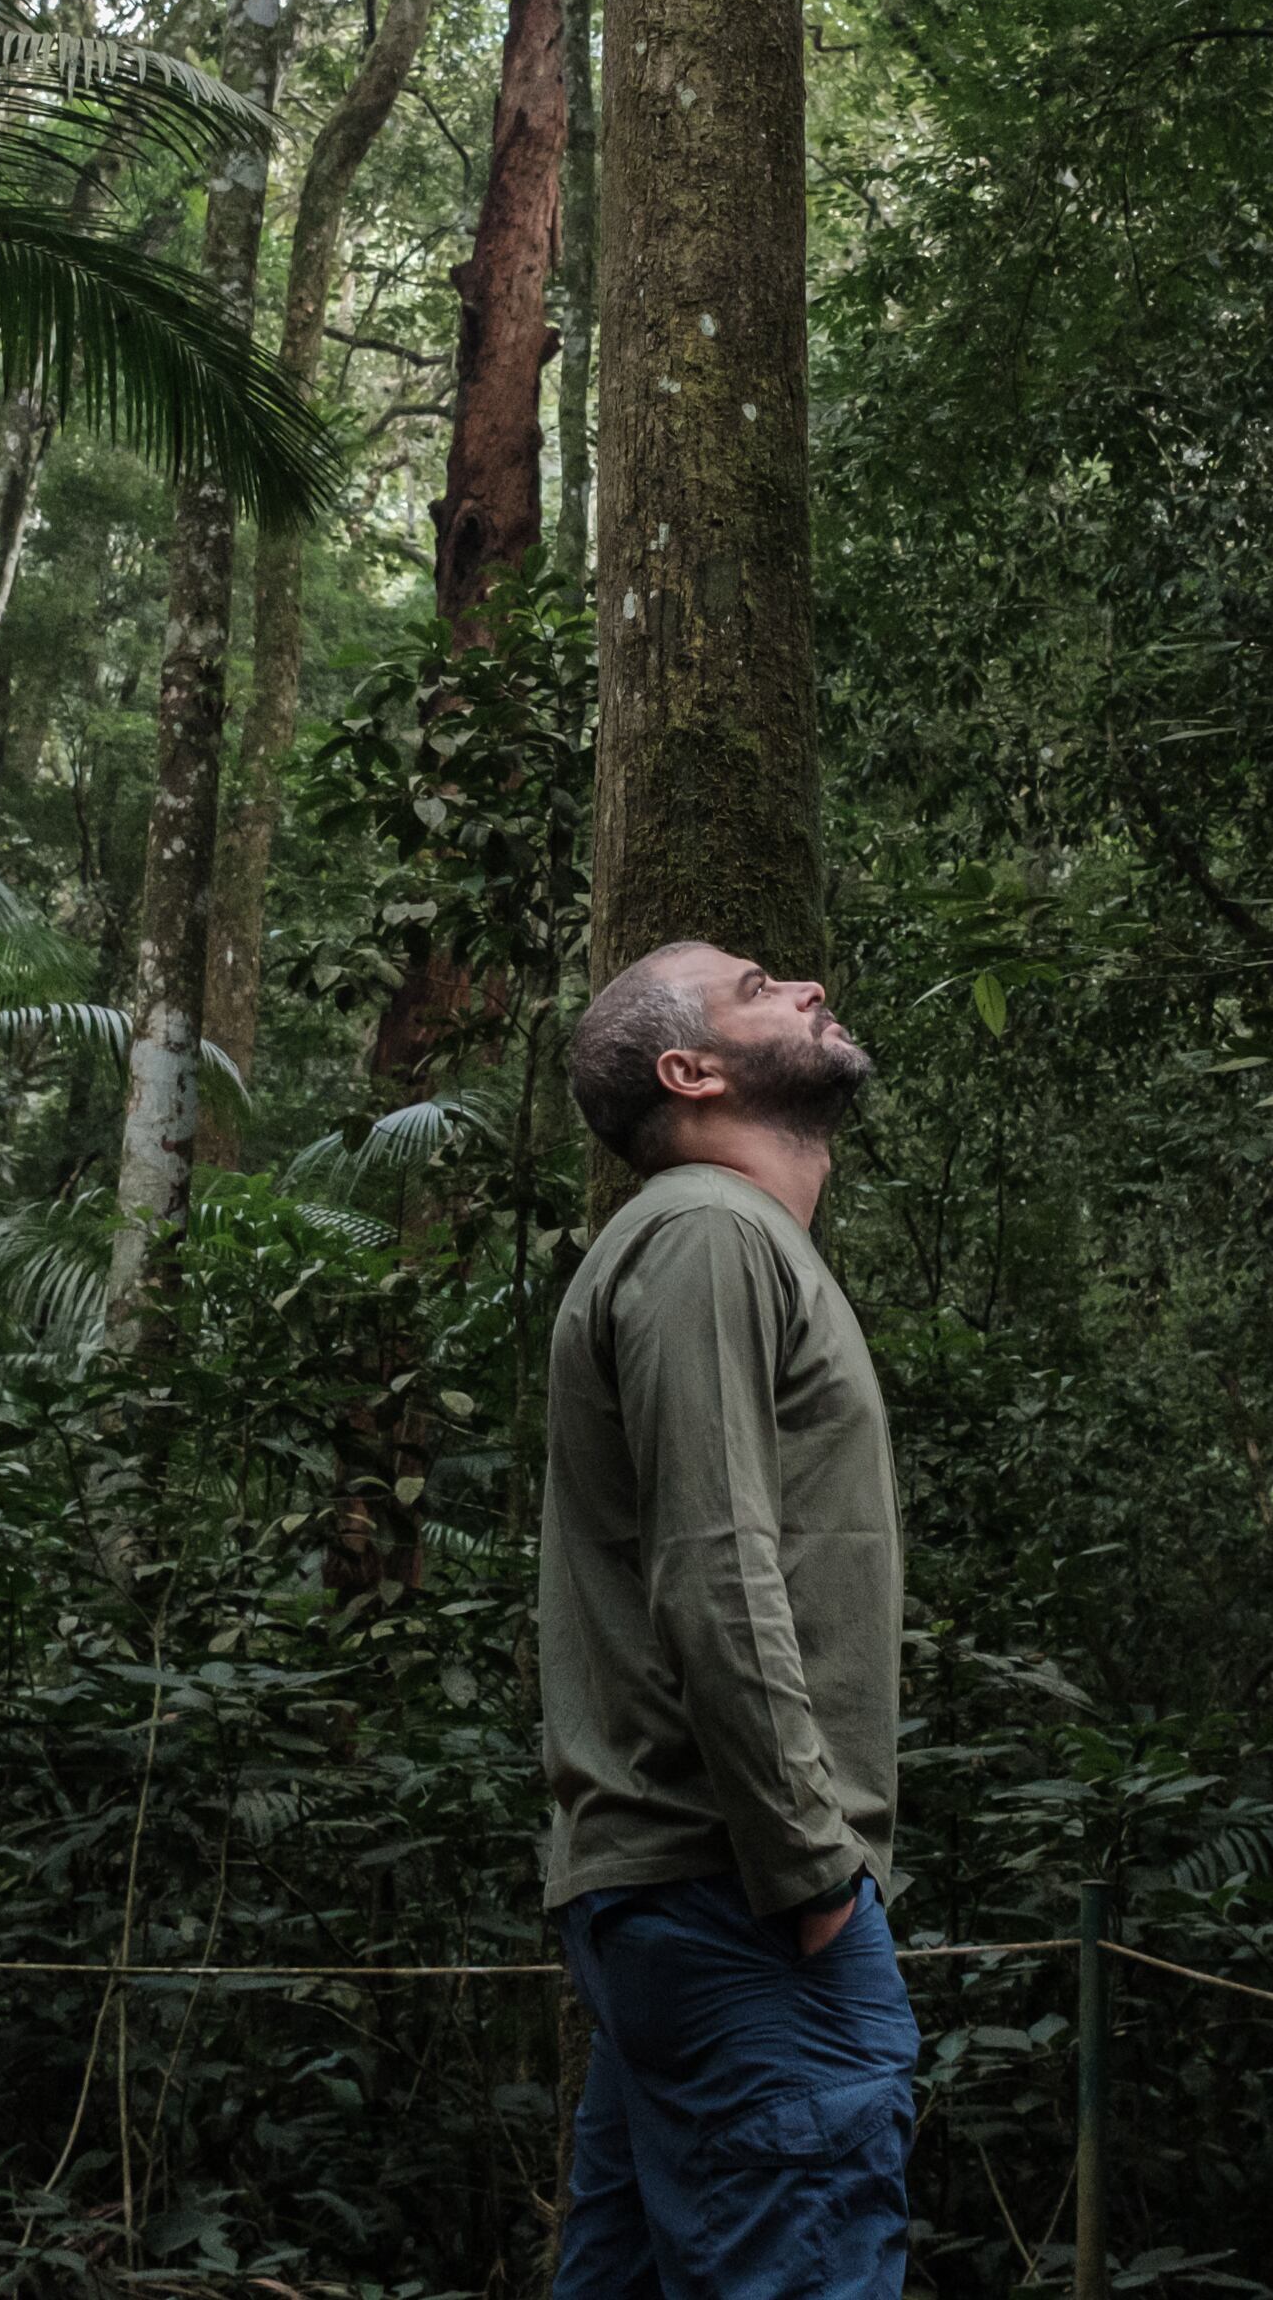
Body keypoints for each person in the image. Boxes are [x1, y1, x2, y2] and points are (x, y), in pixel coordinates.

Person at [539, 940, 913, 2299]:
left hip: (693, 1900)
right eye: (760, 988)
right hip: (736, 1897)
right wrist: (813, 1876)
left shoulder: (725, 1243)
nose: (811, 985)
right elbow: (715, 1571)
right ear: (687, 1073)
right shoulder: (706, 1230)